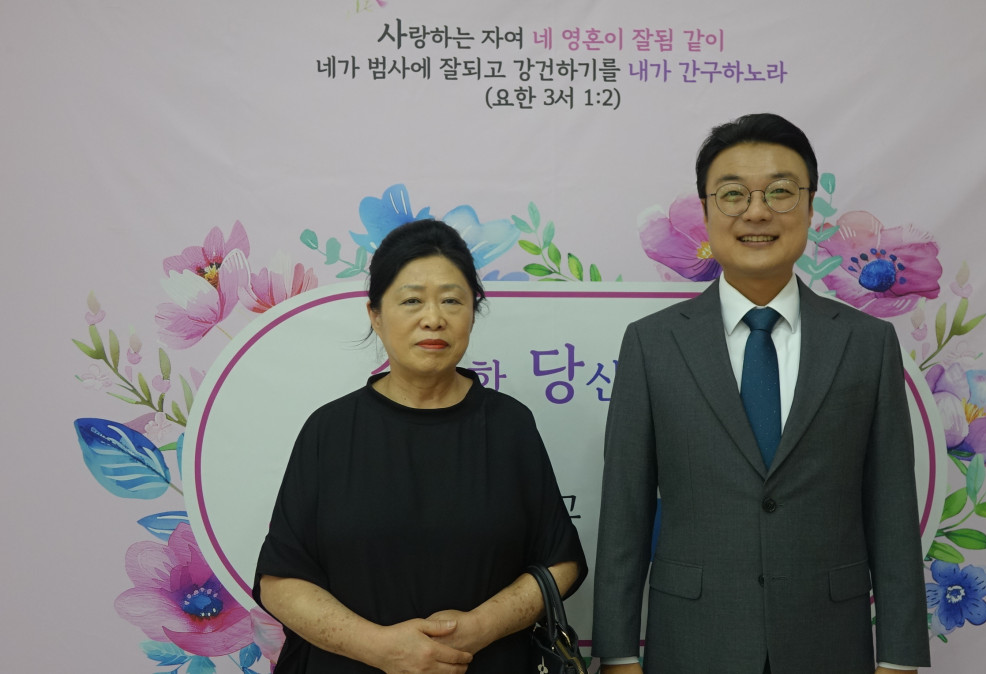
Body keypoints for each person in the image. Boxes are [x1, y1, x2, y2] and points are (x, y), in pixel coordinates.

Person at [592, 113, 930, 673]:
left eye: (779, 191)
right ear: (706, 212)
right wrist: (618, 653)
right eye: (732, 194)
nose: (756, 212)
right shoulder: (653, 344)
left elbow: (892, 511)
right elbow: (625, 511)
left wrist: (898, 659)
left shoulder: (867, 344)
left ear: (809, 207)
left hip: (828, 646)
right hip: (693, 644)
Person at [254, 219, 587, 673]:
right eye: (412, 300)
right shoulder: (328, 430)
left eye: (452, 300)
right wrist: (380, 648)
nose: (434, 318)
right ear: (375, 315)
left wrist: (479, 628)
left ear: (473, 312)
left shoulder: (510, 425)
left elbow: (561, 562)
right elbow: (279, 581)